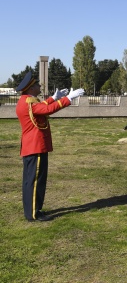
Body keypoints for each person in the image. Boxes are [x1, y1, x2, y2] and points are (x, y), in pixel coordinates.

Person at [15, 71, 84, 222]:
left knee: (30, 181)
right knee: (35, 181)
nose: (40, 86)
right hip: (36, 146)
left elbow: (41, 106)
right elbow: (46, 110)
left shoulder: (26, 100)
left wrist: (53, 98)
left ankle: (31, 209)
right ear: (31, 88)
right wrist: (68, 99)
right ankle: (34, 213)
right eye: (37, 85)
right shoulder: (29, 103)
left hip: (31, 146)